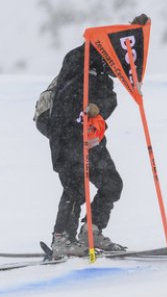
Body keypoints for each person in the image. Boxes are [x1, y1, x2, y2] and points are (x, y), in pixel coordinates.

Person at [46, 14, 148, 257]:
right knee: (76, 186)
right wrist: (80, 115)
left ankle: (91, 232)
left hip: (90, 134)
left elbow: (109, 98)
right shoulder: (77, 58)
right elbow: (65, 98)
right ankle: (62, 239)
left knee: (112, 184)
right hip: (65, 131)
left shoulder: (103, 70)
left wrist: (97, 108)